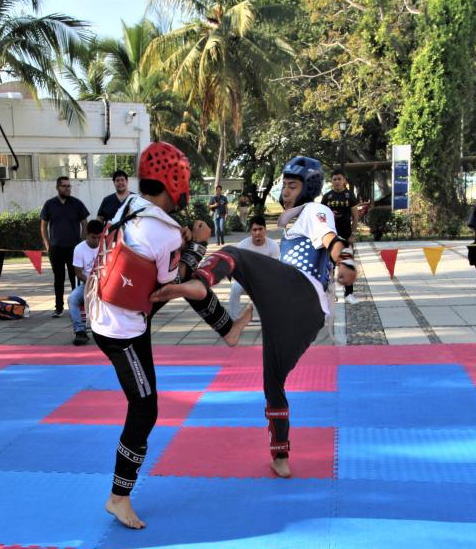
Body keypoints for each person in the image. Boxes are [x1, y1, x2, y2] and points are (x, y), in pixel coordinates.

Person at [153, 156, 357, 480]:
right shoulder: (292, 222)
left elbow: (332, 239)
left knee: (232, 253)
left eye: (293, 186)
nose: (286, 191)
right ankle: (281, 456)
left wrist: (346, 262)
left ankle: (198, 282)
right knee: (273, 384)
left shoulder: (315, 212)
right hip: (303, 317)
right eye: (285, 185)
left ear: (309, 189)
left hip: (300, 291)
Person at [87, 141, 218, 530]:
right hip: (118, 329)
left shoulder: (128, 205)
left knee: (145, 403)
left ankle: (119, 494)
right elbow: (167, 287)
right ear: (173, 181)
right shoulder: (163, 232)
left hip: (112, 309)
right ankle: (118, 497)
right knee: (145, 409)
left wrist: (182, 242)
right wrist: (197, 246)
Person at [41, 177, 89, 317]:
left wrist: (81, 243)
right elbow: (43, 225)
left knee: (76, 279)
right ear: (58, 187)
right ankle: (59, 308)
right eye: (64, 186)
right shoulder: (49, 204)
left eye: (69, 186)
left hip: (74, 250)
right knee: (59, 279)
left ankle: (78, 307)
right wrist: (47, 244)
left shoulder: (77, 204)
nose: (67, 188)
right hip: (55, 249)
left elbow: (85, 224)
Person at [320, 169, 363, 304]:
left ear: (344, 180)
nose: (337, 181)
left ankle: (349, 294)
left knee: (346, 263)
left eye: (339, 179)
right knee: (329, 266)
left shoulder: (349, 196)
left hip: (345, 236)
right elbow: (321, 217)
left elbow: (355, 217)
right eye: (334, 179)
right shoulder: (327, 197)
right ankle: (328, 294)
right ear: (331, 181)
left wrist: (353, 234)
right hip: (331, 238)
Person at [228, 215, 279, 318]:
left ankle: (269, 318)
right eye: (254, 230)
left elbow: (275, 270)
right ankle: (233, 320)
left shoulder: (273, 245)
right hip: (246, 280)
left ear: (265, 230)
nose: (257, 233)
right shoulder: (242, 245)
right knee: (235, 289)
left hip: (266, 280)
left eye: (260, 229)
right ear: (250, 231)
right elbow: (238, 269)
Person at [68, 220, 105, 346]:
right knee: (72, 299)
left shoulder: (106, 245)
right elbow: (78, 273)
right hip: (88, 284)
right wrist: (92, 282)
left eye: (99, 237)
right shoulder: (79, 249)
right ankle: (80, 331)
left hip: (106, 283)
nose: (96, 241)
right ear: (87, 235)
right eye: (93, 237)